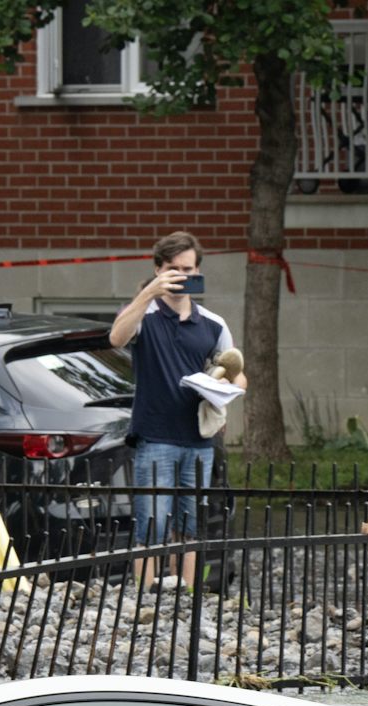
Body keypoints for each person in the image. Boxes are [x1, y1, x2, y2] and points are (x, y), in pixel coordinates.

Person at [108, 231, 245, 590]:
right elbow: (116, 338)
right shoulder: (144, 314)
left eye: (188, 268)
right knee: (150, 523)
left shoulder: (212, 323)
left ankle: (186, 596)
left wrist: (226, 385)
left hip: (199, 438)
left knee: (190, 524)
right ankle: (144, 599)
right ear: (158, 269)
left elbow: (237, 373)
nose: (181, 275)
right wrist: (148, 293)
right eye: (173, 268)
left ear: (197, 270)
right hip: (154, 438)